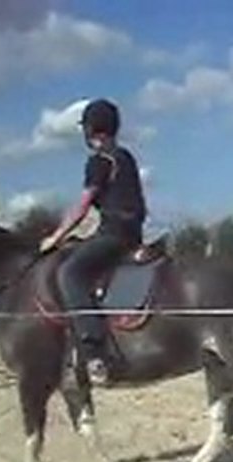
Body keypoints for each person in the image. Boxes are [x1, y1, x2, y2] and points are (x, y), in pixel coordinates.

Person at [40, 98, 147, 385]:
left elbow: (83, 206)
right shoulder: (125, 156)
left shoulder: (99, 161)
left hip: (113, 235)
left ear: (91, 130)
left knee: (69, 273)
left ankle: (93, 350)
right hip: (133, 233)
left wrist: (56, 236)